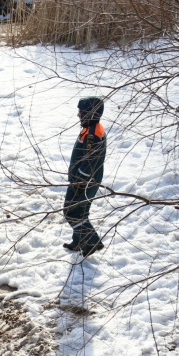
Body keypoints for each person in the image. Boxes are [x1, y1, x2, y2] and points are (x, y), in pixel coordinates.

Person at [63, 97, 107, 257]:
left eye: (81, 112)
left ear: (89, 113)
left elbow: (89, 162)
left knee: (71, 212)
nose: (78, 115)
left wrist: (79, 182)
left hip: (84, 183)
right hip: (85, 181)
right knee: (80, 213)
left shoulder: (93, 134)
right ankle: (79, 242)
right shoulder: (90, 128)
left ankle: (91, 241)